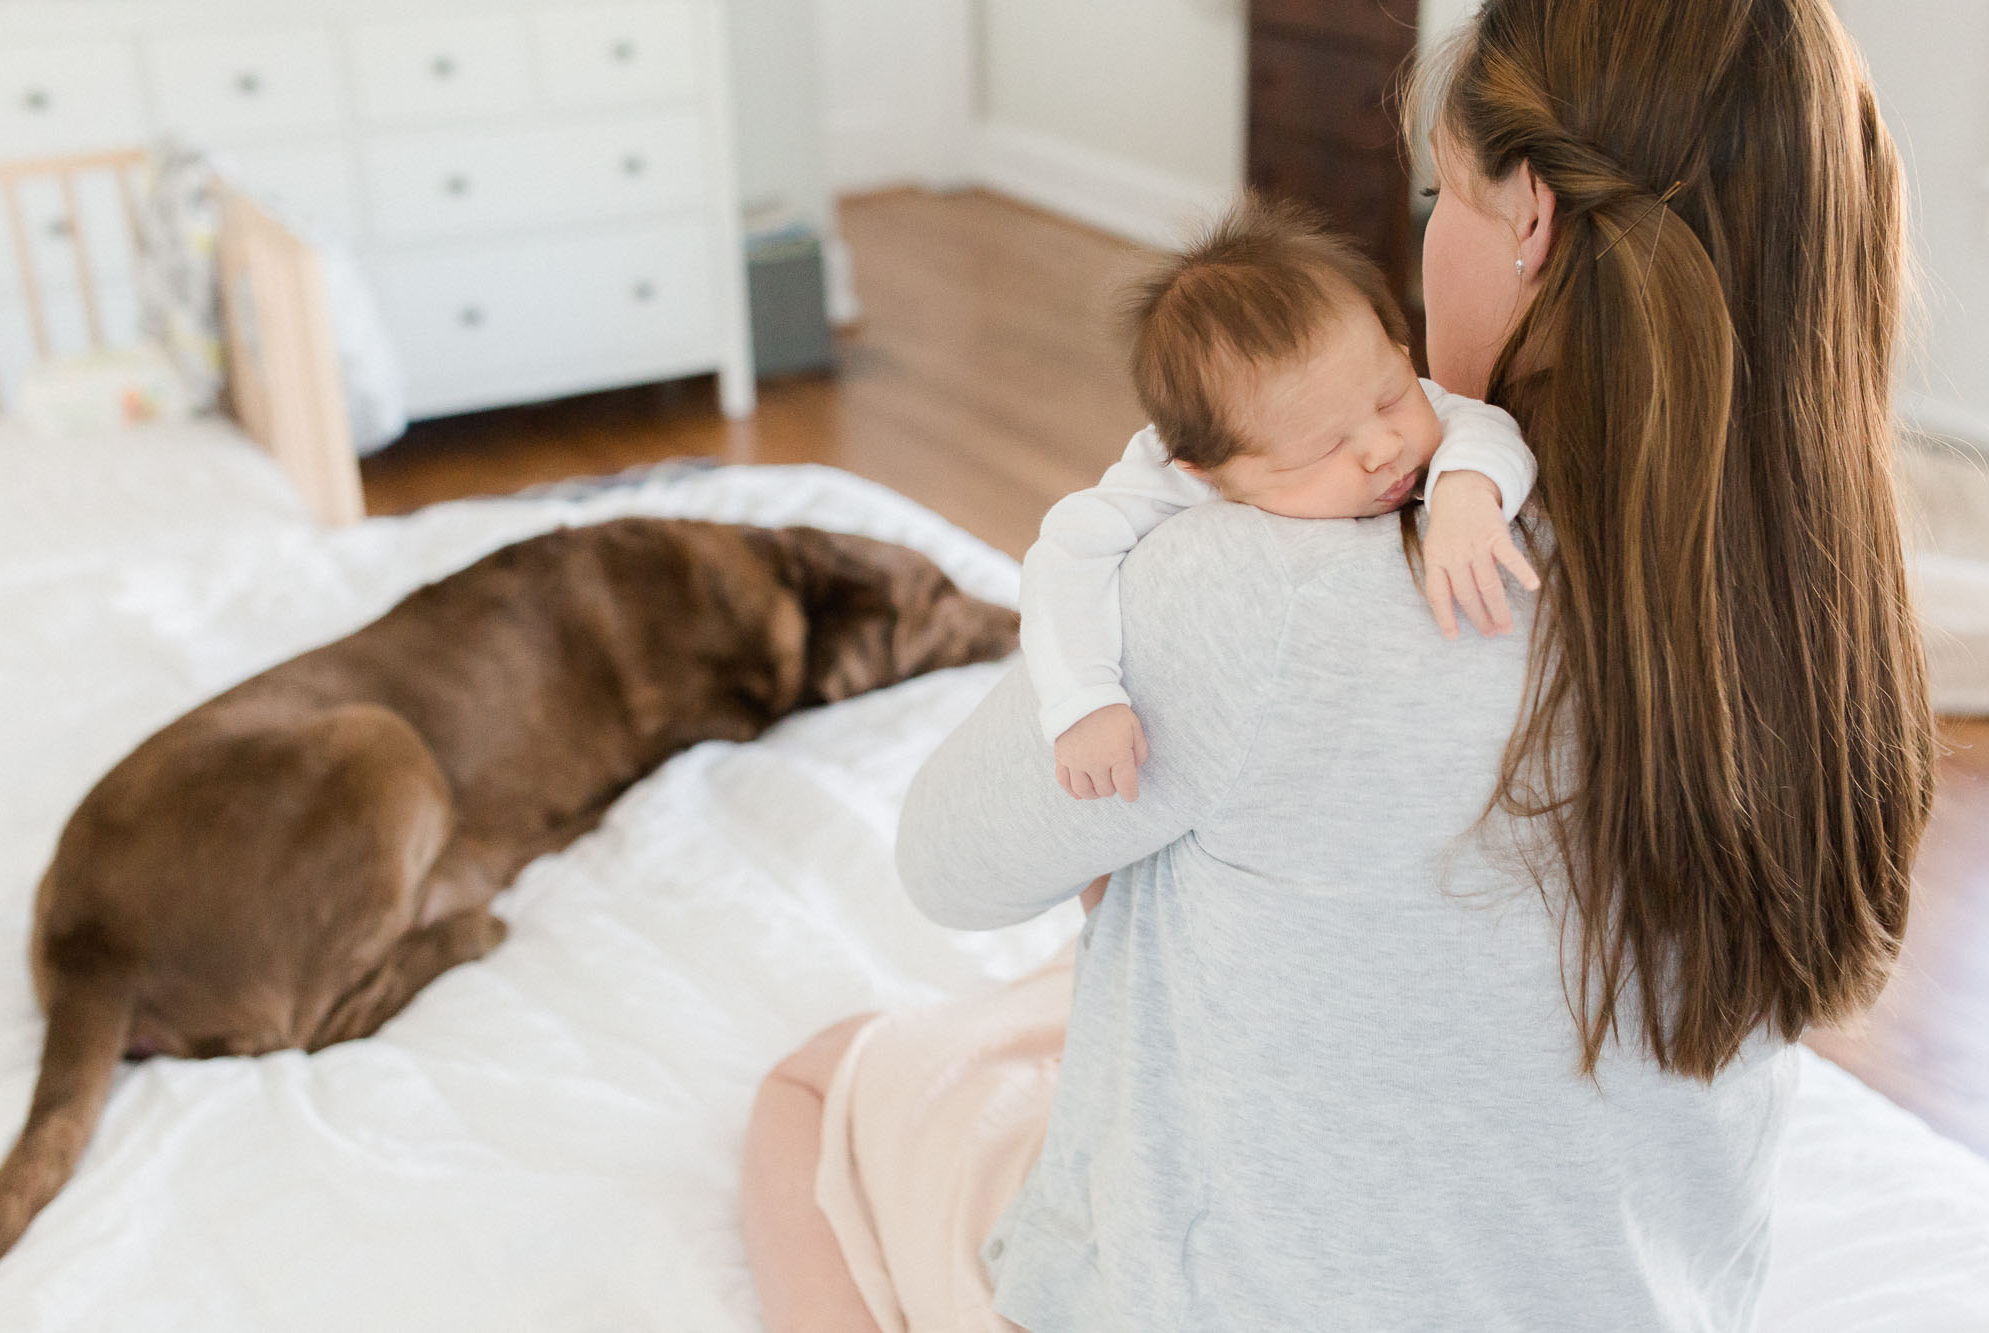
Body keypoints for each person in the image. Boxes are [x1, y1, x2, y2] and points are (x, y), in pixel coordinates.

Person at [741, 0, 1937, 1327]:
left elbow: (946, 861)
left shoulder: (1264, 589)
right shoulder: (1825, 617)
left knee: (819, 1082)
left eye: (1439, 190)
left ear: (1530, 217)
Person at [1022, 197, 1538, 803]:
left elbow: (1483, 424)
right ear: (1209, 472)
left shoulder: (1398, 401)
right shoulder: (1169, 479)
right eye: (1323, 449)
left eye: (1392, 398)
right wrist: (1083, 700)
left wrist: (1467, 493)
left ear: (1399, 354)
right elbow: (1066, 554)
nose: (1384, 448)